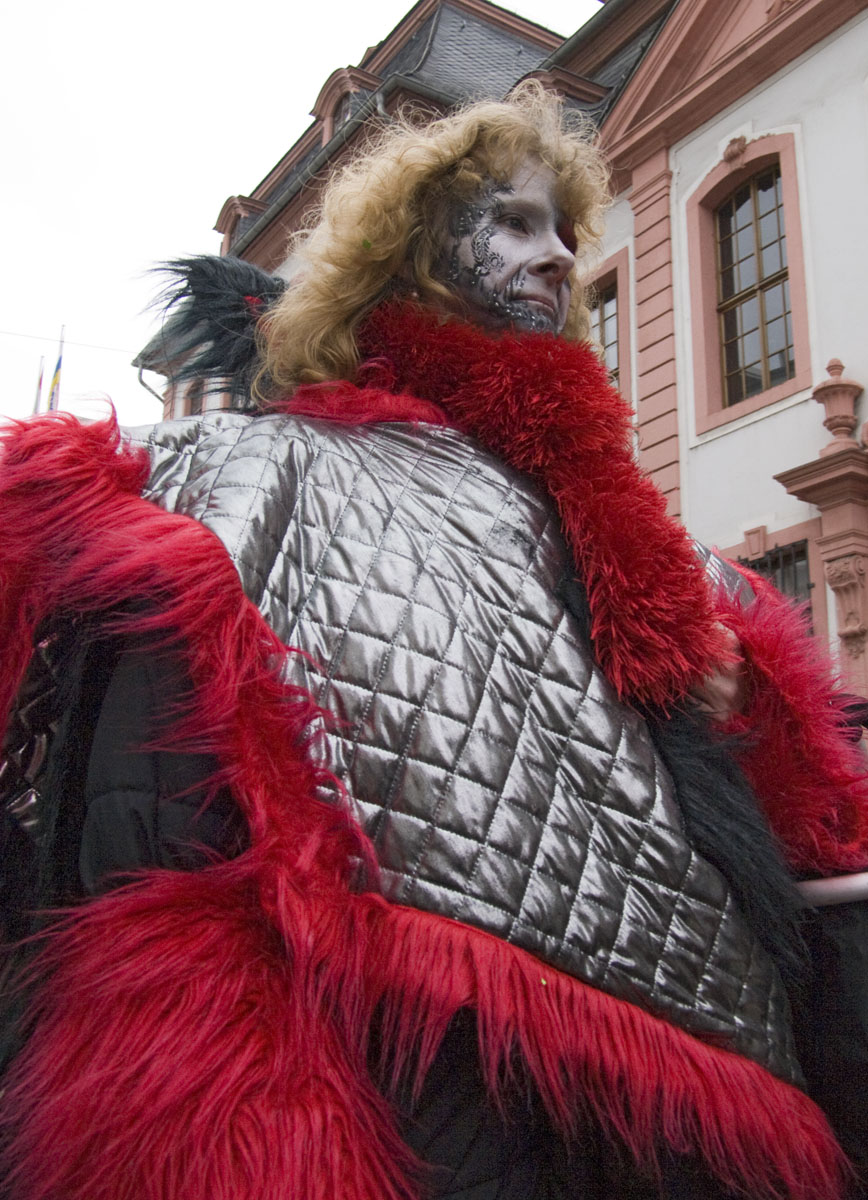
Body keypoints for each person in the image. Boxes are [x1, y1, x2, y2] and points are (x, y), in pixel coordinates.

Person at [1, 82, 868, 1200]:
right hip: (424, 1097)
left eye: (565, 229)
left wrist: (747, 711)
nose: (558, 257)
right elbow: (168, 864)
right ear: (403, 257)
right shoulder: (261, 473)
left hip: (695, 1124)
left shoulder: (648, 544)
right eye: (514, 222)